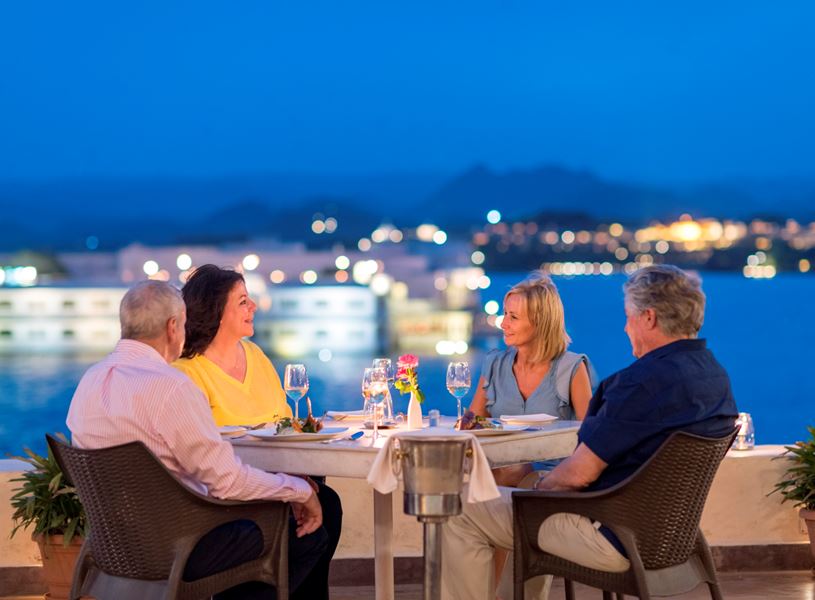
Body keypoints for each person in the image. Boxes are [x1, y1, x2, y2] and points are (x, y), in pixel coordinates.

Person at [442, 265, 738, 600]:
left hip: (610, 533)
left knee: (462, 509)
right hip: (670, 537)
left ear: (649, 318)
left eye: (629, 317)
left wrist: (537, 488)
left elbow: (577, 474)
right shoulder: (715, 378)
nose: (626, 327)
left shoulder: (638, 384)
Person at [67, 280, 327, 600]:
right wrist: (298, 490)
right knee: (302, 535)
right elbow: (226, 483)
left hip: (113, 546)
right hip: (179, 548)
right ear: (173, 326)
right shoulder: (171, 388)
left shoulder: (88, 383)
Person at [173, 264, 342, 600]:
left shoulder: (255, 356)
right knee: (310, 526)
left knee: (328, 505)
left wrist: (297, 480)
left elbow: (282, 426)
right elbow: (204, 459)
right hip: (226, 497)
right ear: (217, 312)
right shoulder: (186, 372)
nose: (253, 307)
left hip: (273, 483)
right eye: (243, 301)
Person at [469, 272, 593, 487]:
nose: (503, 323)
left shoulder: (571, 368)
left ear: (540, 322)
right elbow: (471, 425)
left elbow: (591, 441)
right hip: (500, 474)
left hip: (551, 481)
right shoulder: (494, 365)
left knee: (510, 471)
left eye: (513, 317)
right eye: (505, 314)